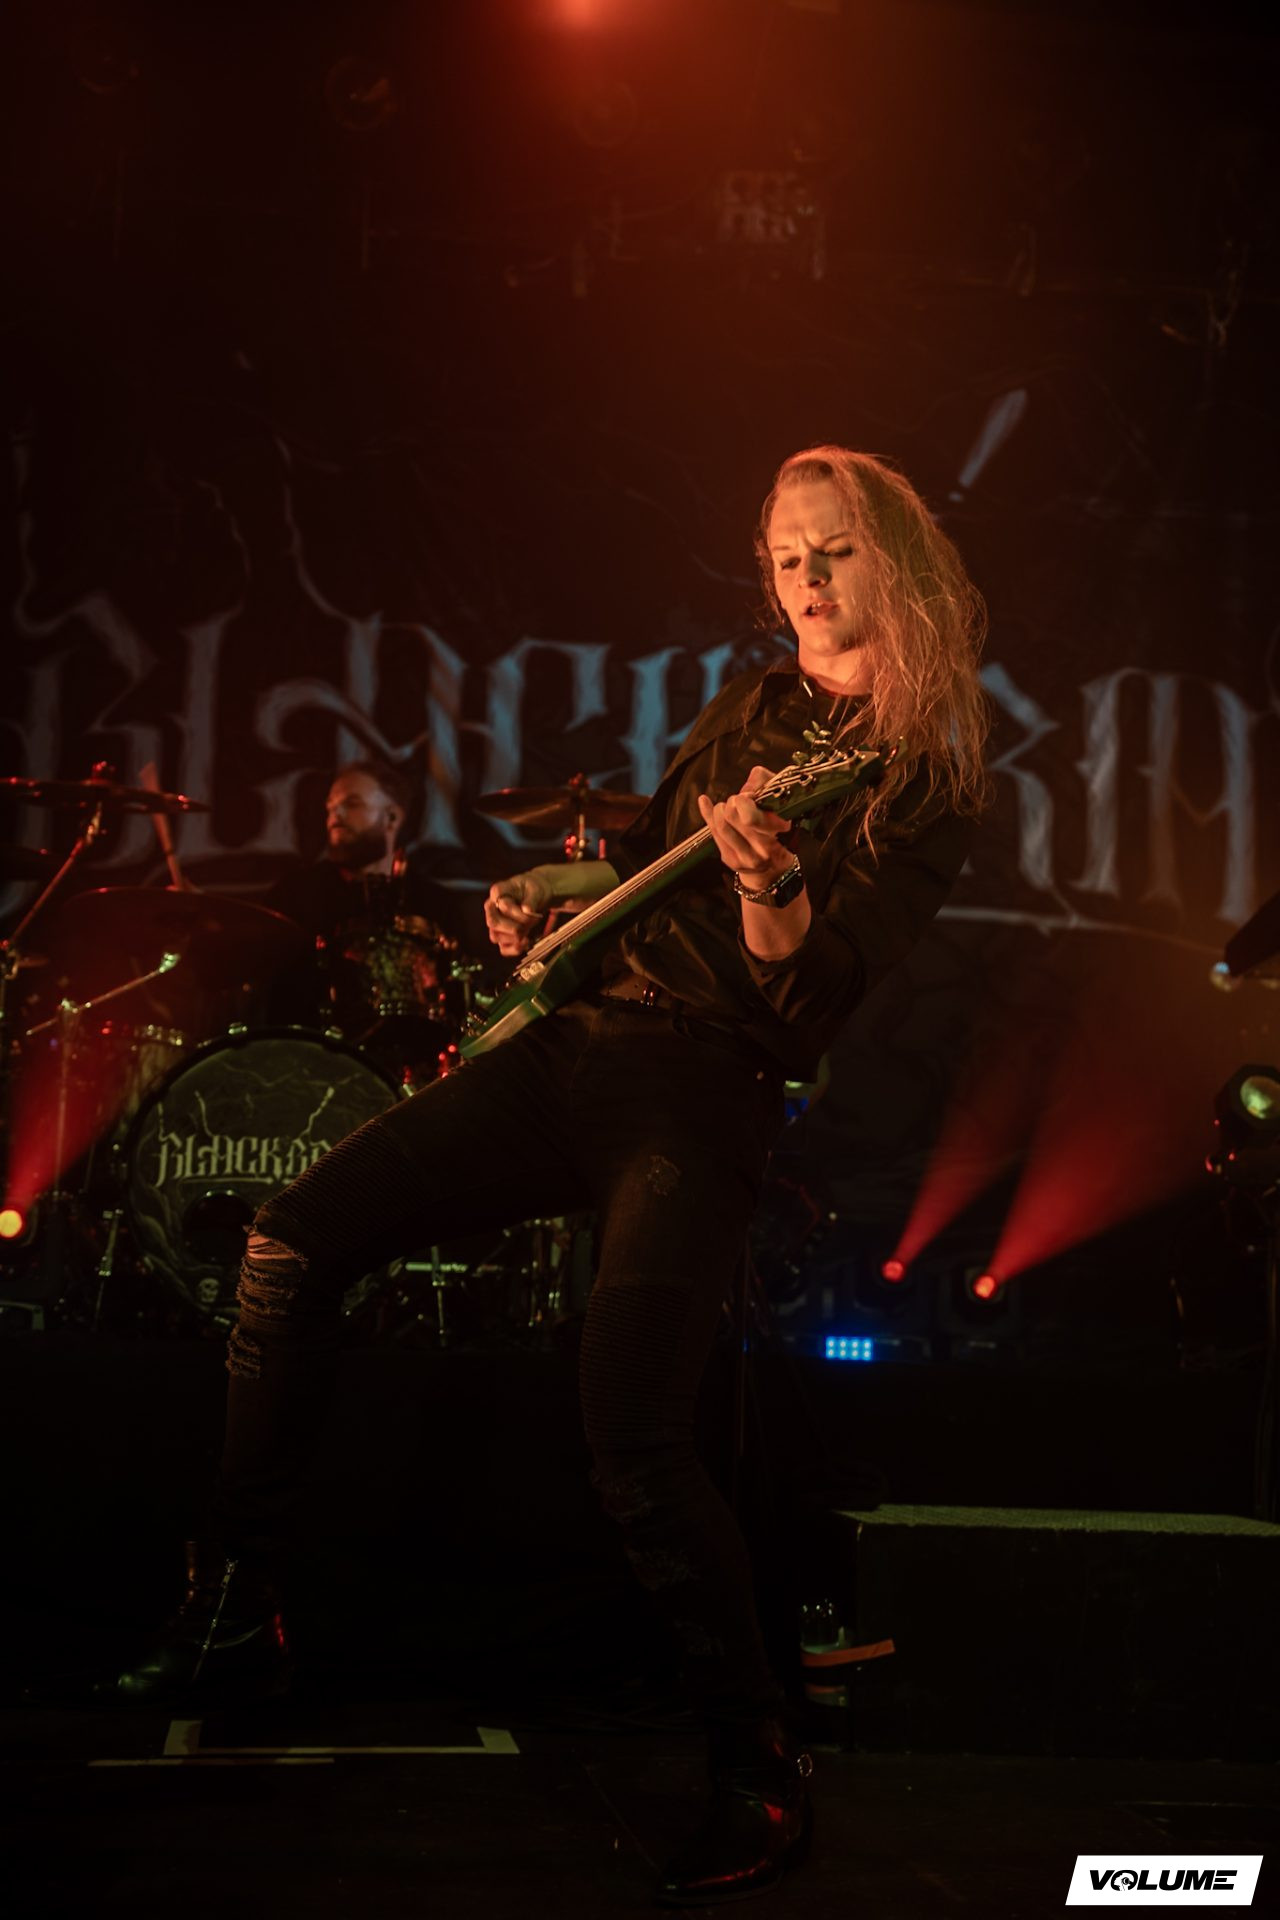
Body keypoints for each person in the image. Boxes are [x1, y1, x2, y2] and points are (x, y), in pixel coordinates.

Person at [99, 447, 989, 1905]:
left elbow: (806, 999)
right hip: (573, 1039)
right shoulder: (752, 708)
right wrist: (554, 895)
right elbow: (652, 861)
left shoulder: (923, 772)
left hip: (699, 1086)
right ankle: (233, 1615)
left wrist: (771, 883)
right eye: (785, 556)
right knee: (289, 1242)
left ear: (891, 556)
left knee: (629, 1427)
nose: (806, 581)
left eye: (832, 550)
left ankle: (759, 1762)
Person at [262, 758, 471, 1067]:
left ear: (391, 817)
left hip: (419, 1067)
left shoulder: (436, 904)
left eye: (352, 804)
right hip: (310, 1063)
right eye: (330, 808)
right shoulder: (294, 896)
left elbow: (459, 997)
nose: (335, 816)